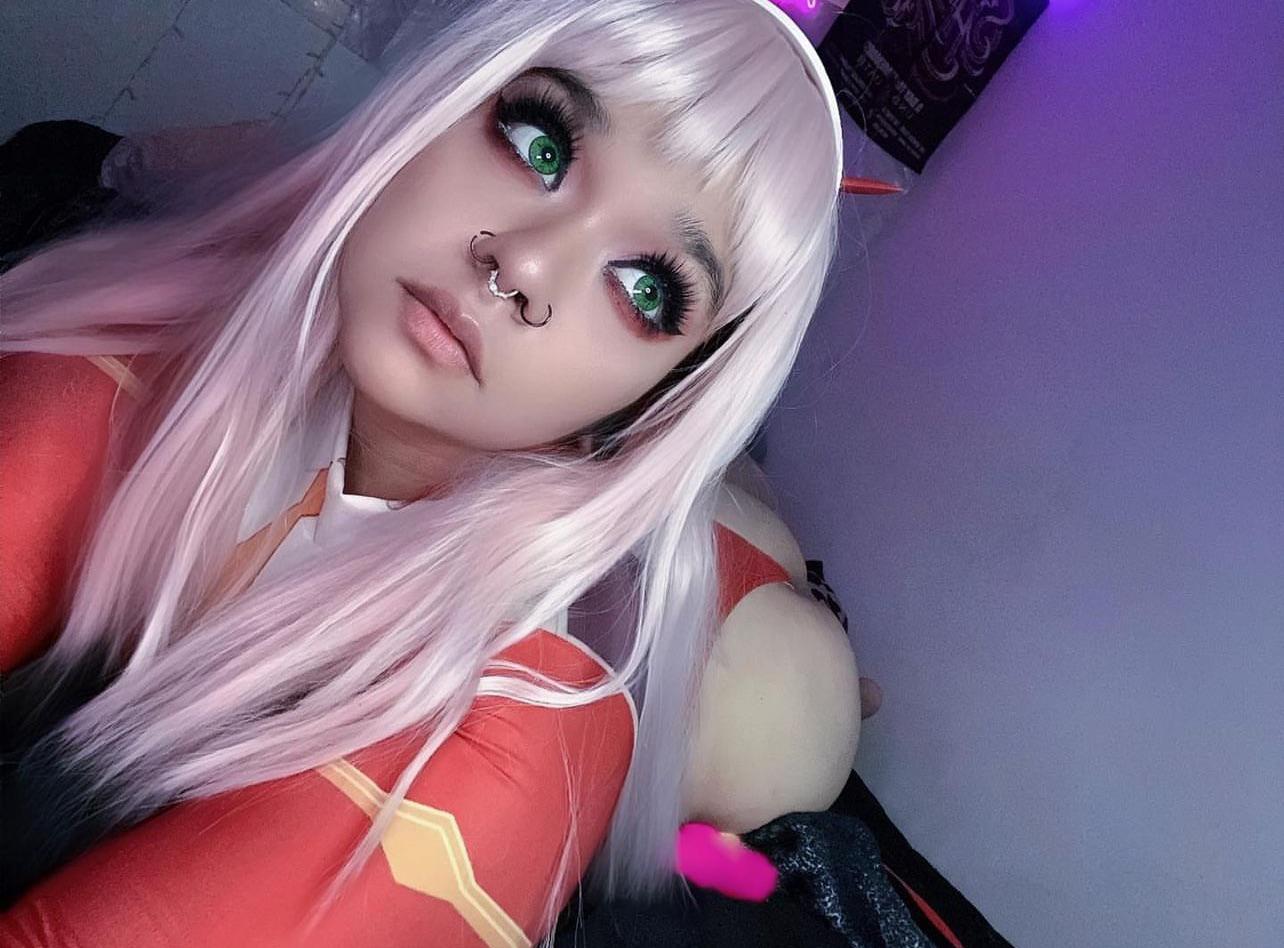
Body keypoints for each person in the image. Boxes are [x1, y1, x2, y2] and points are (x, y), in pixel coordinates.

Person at [0, 0, 872, 943]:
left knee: (791, 702)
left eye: (645, 288)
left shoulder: (531, 717)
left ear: (669, 391)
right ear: (440, 96)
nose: (522, 265)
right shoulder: (160, 327)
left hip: (733, 654)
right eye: (539, 144)